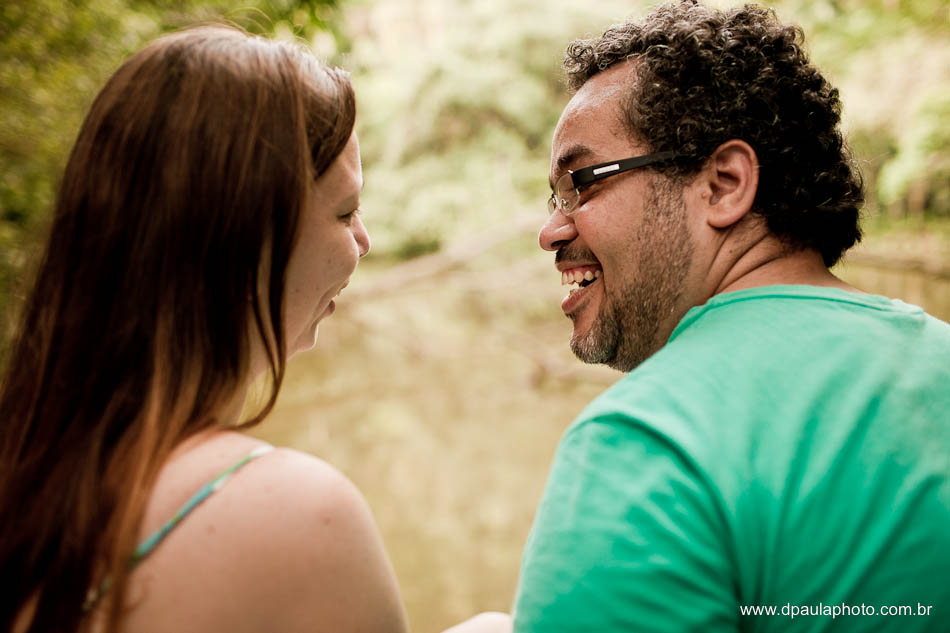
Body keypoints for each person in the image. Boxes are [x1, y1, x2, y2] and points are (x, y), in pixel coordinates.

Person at [0, 25, 511, 633]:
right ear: (245, 240)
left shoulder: (30, 470)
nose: (364, 241)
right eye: (345, 211)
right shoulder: (298, 514)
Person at [513, 1, 950, 631]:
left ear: (723, 184)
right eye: (554, 198)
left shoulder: (647, 443)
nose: (550, 231)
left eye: (581, 182)